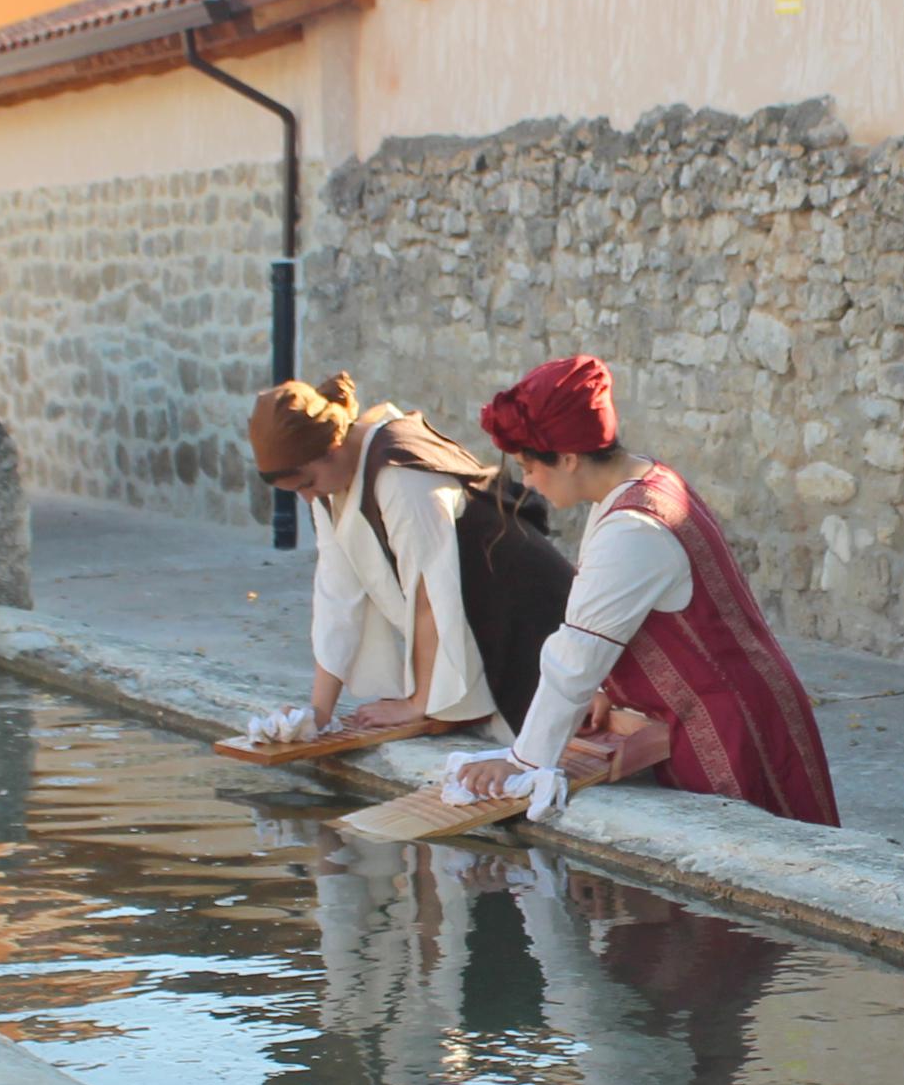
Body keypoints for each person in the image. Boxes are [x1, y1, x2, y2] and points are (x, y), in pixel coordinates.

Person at [445, 353, 840, 828]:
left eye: (529, 467)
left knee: (761, 862)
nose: (527, 482)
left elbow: (576, 656)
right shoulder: (646, 480)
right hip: (736, 707)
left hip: (730, 729)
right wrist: (605, 692)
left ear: (568, 459)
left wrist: (524, 762)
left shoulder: (632, 528)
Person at [242, 374, 571, 746]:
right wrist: (318, 714)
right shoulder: (328, 485)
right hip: (486, 615)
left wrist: (419, 703)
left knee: (546, 737)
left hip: (527, 613)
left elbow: (431, 592)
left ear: (333, 447)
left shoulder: (401, 474)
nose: (307, 497)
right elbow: (336, 595)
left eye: (306, 483)